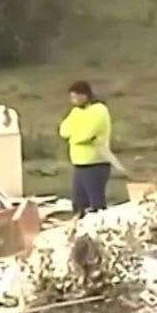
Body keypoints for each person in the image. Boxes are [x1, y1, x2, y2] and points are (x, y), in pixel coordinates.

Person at [59, 81, 113, 217]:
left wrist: (74, 136)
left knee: (96, 205)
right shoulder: (76, 112)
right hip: (79, 164)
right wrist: (74, 134)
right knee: (79, 204)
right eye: (71, 97)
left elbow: (85, 135)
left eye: (76, 97)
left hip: (96, 163)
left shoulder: (99, 110)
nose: (73, 101)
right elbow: (64, 130)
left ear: (85, 95)